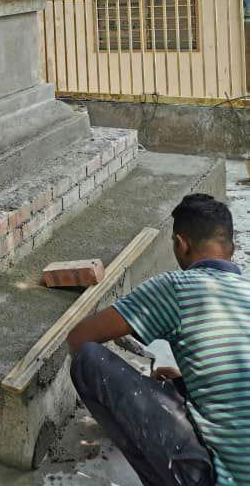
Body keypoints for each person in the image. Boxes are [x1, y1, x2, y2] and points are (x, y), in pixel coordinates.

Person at [67, 192, 250, 486]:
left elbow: (79, 338)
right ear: (231, 247)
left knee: (89, 360)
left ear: (180, 244)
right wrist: (183, 380)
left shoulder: (177, 287)